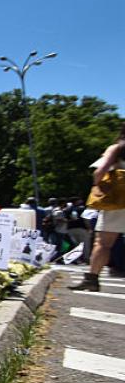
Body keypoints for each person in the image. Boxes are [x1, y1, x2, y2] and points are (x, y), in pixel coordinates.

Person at [73, 124, 125, 291]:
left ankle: (92, 279)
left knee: (103, 243)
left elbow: (100, 170)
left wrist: (98, 186)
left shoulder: (117, 148)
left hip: (118, 201)